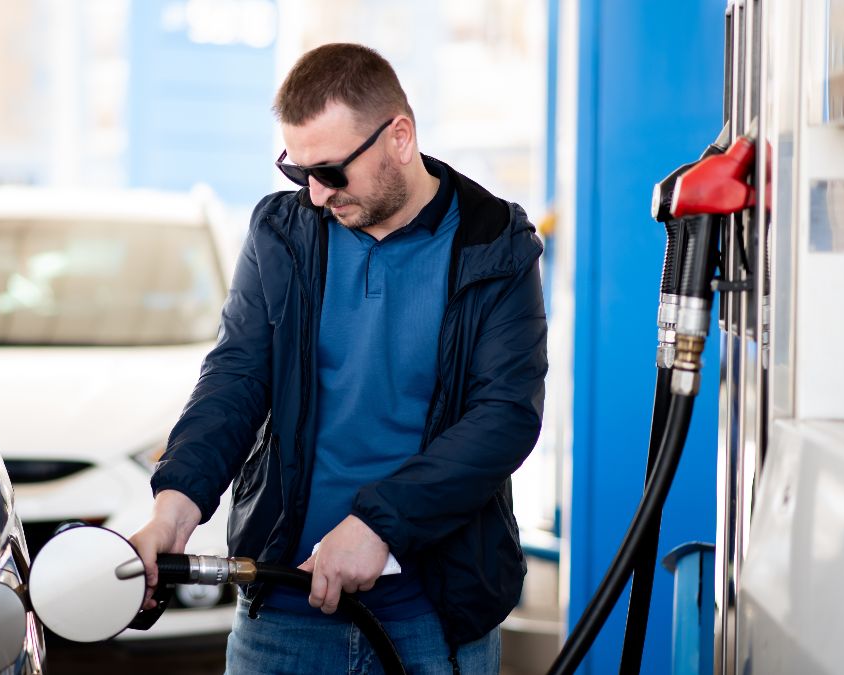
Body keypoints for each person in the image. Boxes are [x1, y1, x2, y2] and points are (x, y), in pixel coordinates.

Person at [130, 43, 547, 674]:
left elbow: (505, 416)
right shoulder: (282, 233)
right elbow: (237, 377)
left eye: (330, 171)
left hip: (433, 620)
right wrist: (175, 506)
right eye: (298, 173)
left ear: (399, 137)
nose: (317, 195)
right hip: (283, 615)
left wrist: (379, 524)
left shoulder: (495, 244)